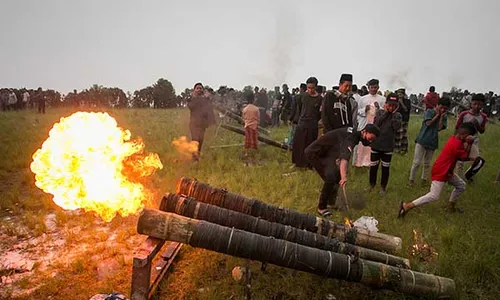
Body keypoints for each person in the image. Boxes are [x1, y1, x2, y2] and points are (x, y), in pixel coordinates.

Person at [398, 123, 477, 217]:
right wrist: (469, 144)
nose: (471, 138)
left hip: (447, 171)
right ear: (465, 134)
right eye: (470, 135)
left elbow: (461, 157)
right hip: (441, 171)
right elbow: (464, 157)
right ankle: (407, 206)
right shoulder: (456, 144)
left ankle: (450, 207)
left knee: (461, 186)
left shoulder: (455, 140)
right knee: (434, 196)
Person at [305, 124, 380, 217]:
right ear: (364, 131)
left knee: (337, 175)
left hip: (327, 152)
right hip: (315, 153)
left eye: (372, 140)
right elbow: (345, 158)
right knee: (330, 177)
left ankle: (331, 202)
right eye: (370, 138)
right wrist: (344, 177)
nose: (370, 141)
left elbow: (340, 149)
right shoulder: (352, 138)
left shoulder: (355, 135)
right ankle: (321, 207)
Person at [409, 97, 450, 186]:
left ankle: (424, 179)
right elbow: (428, 123)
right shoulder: (429, 112)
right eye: (441, 107)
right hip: (422, 140)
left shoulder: (444, 116)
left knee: (427, 163)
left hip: (432, 141)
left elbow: (439, 128)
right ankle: (411, 180)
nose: (443, 110)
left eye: (445, 109)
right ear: (437, 105)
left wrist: (441, 117)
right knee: (417, 162)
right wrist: (437, 115)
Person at [369, 93, 402, 195]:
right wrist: (386, 113)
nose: (391, 107)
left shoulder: (398, 116)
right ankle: (371, 185)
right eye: (390, 105)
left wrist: (392, 114)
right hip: (376, 144)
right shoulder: (379, 113)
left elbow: (396, 127)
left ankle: (383, 187)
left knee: (385, 168)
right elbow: (376, 124)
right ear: (386, 104)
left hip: (388, 146)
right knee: (373, 167)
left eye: (394, 105)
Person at [455, 93, 488, 181]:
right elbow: (457, 126)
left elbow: (482, 131)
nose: (477, 106)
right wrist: (456, 139)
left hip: (474, 141)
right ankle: (459, 180)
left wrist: (477, 125)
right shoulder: (464, 114)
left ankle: (468, 176)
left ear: (482, 105)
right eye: (475, 104)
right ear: (471, 104)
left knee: (476, 160)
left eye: (479, 104)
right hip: (462, 140)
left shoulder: (483, 117)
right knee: (460, 161)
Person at [291, 77, 322, 168]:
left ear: (316, 87)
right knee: (298, 144)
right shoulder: (302, 96)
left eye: (312, 88)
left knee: (310, 145)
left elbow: (320, 113)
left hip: (312, 125)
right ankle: (297, 163)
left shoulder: (320, 99)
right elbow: (299, 108)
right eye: (308, 88)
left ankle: (308, 164)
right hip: (302, 123)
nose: (310, 90)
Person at [354, 79, 384, 167]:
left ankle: (372, 162)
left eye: (375, 87)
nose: (374, 89)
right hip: (365, 124)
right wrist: (365, 109)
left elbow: (384, 112)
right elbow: (357, 111)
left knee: (373, 144)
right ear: (368, 88)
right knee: (362, 145)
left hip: (375, 125)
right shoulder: (363, 99)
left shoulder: (382, 99)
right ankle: (359, 163)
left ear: (378, 87)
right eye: (372, 87)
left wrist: (379, 108)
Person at [187, 82, 216, 161]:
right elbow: (190, 107)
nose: (199, 90)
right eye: (197, 88)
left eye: (201, 88)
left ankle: (197, 157)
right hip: (194, 124)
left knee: (200, 141)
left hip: (202, 125)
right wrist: (195, 96)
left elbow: (210, 109)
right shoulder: (192, 98)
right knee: (195, 140)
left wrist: (208, 98)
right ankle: (194, 158)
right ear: (194, 90)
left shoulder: (205, 99)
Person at [242, 93, 260, 166]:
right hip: (254, 127)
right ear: (253, 99)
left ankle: (247, 156)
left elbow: (243, 118)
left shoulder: (244, 109)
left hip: (247, 126)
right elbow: (258, 119)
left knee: (247, 142)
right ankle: (253, 158)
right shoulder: (256, 109)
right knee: (254, 142)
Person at [288, 83, 306, 148]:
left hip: (296, 119)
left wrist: (290, 118)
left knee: (293, 133)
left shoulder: (297, 97)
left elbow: (293, 109)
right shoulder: (307, 97)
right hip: (303, 119)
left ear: (301, 88)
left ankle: (290, 145)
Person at [394, 88, 412, 154]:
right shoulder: (395, 101)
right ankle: (397, 149)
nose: (399, 95)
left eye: (401, 94)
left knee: (403, 135)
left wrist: (401, 103)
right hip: (397, 120)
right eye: (398, 94)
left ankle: (403, 149)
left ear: (404, 94)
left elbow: (406, 109)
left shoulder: (407, 101)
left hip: (404, 119)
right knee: (398, 134)